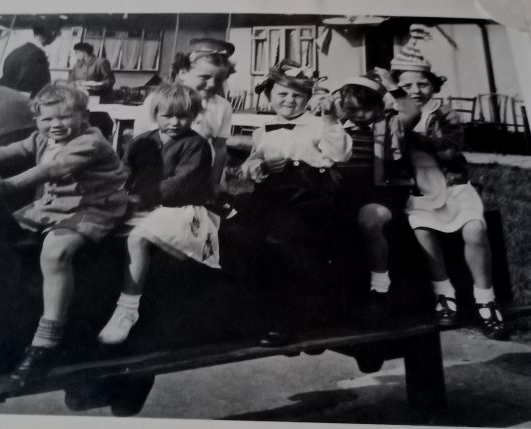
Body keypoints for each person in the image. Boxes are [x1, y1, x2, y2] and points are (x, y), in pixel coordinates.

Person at [0, 82, 128, 382]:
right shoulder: (41, 139)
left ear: (83, 116)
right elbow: (3, 152)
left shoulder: (91, 142)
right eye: (47, 119)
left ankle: (46, 343)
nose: (55, 125)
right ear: (37, 120)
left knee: (55, 251)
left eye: (64, 117)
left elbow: (52, 170)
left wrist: (8, 185)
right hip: (53, 205)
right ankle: (4, 316)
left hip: (92, 207)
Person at [390, 25, 509, 339]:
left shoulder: (446, 114)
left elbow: (448, 150)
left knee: (475, 228)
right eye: (407, 86)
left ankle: (486, 299)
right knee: (422, 230)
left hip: (453, 187)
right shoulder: (395, 117)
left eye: (423, 84)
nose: (416, 91)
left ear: (434, 86)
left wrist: (412, 137)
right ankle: (445, 293)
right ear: (398, 91)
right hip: (421, 192)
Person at [240, 60, 352, 346]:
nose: (289, 100)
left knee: (282, 241)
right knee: (245, 237)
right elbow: (251, 163)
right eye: (282, 94)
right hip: (271, 195)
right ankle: (252, 314)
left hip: (309, 196)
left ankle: (287, 320)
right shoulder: (263, 128)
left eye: (297, 95)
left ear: (307, 98)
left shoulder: (318, 124)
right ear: (269, 97)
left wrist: (329, 119)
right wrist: (259, 165)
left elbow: (340, 154)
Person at [97, 82, 217, 345]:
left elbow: (180, 184)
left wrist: (140, 197)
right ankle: (99, 299)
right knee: (95, 225)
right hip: (144, 205)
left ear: (194, 116)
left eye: (183, 116)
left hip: (181, 209)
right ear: (155, 114)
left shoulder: (196, 146)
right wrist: (117, 193)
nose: (175, 122)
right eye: (167, 115)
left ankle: (127, 309)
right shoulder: (141, 142)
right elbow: (125, 173)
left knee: (137, 238)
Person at [335, 68, 420, 319]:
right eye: (352, 110)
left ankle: (380, 287)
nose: (359, 115)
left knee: (369, 219)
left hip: (381, 192)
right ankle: (336, 290)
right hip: (345, 192)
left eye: (366, 109)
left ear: (379, 105)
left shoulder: (391, 123)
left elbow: (413, 112)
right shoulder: (339, 127)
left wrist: (392, 85)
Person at [133, 38, 235, 197]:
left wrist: (215, 181)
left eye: (220, 79)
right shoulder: (158, 100)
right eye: (204, 77)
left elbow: (220, 147)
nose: (212, 84)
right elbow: (141, 140)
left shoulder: (222, 106)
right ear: (183, 73)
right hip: (164, 168)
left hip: (203, 172)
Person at [0, 23, 60, 97]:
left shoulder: (15, 52)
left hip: (8, 98)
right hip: (25, 103)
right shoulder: (36, 55)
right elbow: (26, 89)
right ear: (52, 34)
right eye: (56, 34)